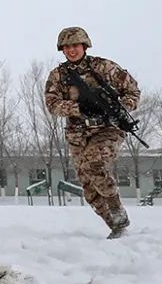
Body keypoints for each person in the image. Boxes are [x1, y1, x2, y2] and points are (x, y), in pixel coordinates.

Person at [44, 27, 140, 239]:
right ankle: (117, 227)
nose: (71, 50)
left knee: (94, 164)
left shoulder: (104, 67)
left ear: (84, 46)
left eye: (75, 46)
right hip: (78, 134)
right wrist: (77, 108)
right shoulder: (59, 75)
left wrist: (120, 107)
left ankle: (116, 208)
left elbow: (132, 91)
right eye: (67, 47)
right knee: (89, 189)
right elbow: (52, 104)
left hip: (107, 129)